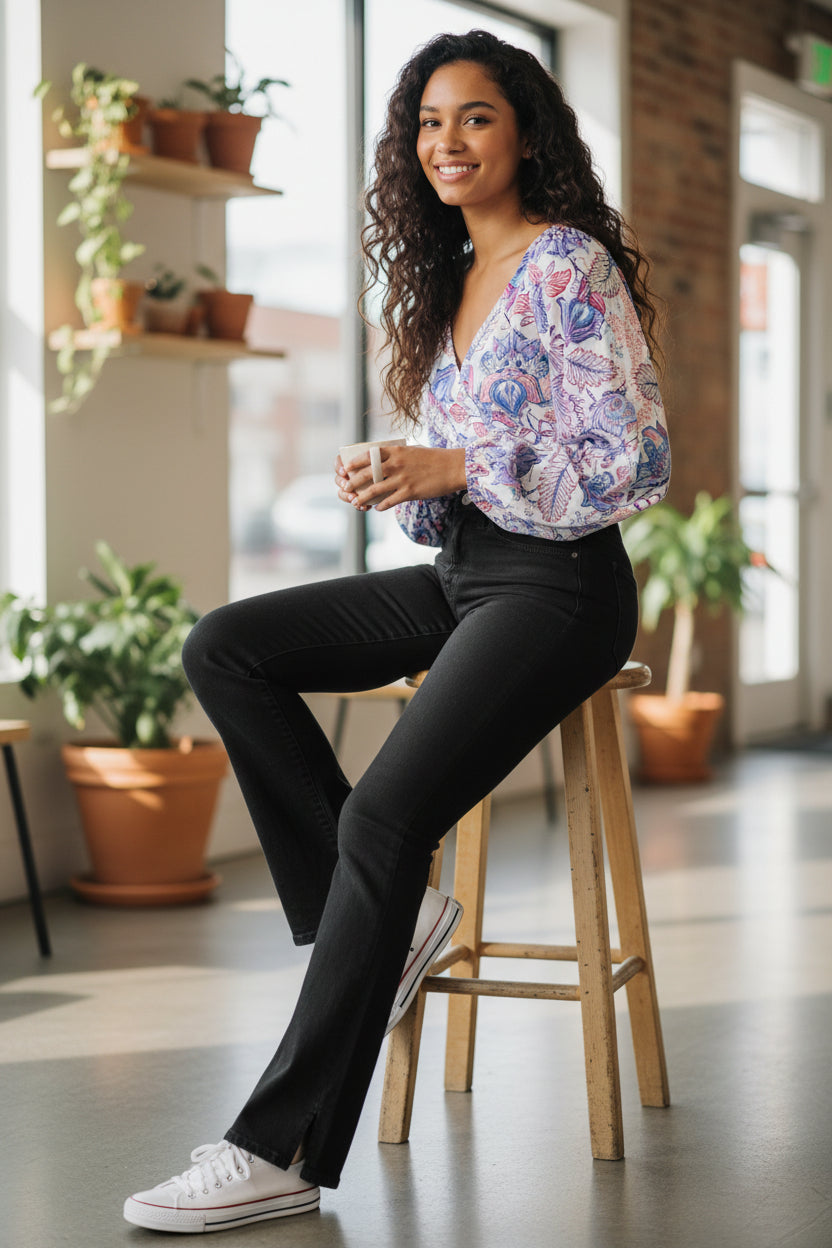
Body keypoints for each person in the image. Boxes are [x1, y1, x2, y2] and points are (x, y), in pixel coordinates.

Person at [123, 28, 670, 1234]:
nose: (445, 141)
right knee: (227, 646)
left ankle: (277, 1151)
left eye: (474, 117)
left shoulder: (567, 264)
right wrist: (399, 475)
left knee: (385, 815)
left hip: (563, 585)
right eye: (427, 122)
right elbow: (449, 488)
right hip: (464, 571)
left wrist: (456, 462)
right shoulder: (442, 277)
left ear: (525, 132)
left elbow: (633, 462)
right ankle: (381, 917)